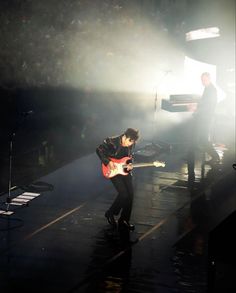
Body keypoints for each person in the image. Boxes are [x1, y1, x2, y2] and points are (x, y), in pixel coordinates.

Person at [96, 128, 140, 231]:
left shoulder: (131, 143)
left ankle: (124, 220)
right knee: (124, 194)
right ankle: (110, 213)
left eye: (132, 143)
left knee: (131, 194)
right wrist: (108, 162)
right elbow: (99, 150)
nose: (130, 144)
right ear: (125, 136)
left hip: (124, 170)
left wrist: (130, 163)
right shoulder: (111, 141)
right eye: (129, 141)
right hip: (113, 170)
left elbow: (129, 157)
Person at [187, 72, 220, 182]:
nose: (203, 81)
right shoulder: (207, 88)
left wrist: (196, 109)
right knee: (203, 139)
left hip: (207, 118)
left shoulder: (212, 90)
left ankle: (215, 156)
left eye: (204, 79)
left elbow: (208, 107)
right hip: (204, 118)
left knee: (203, 140)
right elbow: (204, 103)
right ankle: (214, 156)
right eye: (202, 79)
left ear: (209, 79)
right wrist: (196, 108)